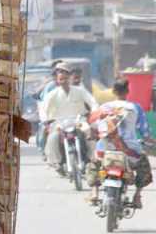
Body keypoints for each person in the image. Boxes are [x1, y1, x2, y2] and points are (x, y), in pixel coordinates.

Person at [86, 78, 154, 208]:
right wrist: (149, 140)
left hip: (105, 149)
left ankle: (94, 191)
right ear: (128, 91)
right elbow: (144, 132)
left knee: (93, 163)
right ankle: (137, 196)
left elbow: (93, 125)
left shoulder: (104, 107)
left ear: (113, 91)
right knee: (144, 166)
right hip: (130, 152)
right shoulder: (135, 108)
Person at [43, 62, 99, 175]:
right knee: (52, 138)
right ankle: (56, 163)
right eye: (60, 77)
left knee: (89, 132)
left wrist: (94, 112)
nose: (63, 79)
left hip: (78, 120)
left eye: (65, 76)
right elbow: (44, 109)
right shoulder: (53, 94)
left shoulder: (80, 91)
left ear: (69, 77)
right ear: (57, 80)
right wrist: (46, 119)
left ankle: (93, 159)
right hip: (60, 123)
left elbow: (92, 102)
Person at [36, 60, 64, 160]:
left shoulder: (74, 84)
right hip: (53, 114)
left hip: (69, 114)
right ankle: (44, 150)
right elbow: (45, 103)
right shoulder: (50, 86)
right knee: (45, 128)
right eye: (59, 71)